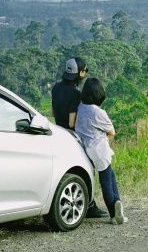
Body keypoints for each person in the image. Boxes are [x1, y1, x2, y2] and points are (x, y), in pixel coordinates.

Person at [52, 57, 108, 218]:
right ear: (80, 73)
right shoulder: (75, 94)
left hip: (59, 132)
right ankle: (89, 205)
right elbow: (71, 121)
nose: (85, 73)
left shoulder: (56, 88)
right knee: (87, 168)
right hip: (72, 136)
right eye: (85, 70)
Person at [75, 77, 127, 225]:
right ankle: (113, 212)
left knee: (110, 176)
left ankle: (117, 204)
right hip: (100, 150)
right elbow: (112, 132)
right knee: (106, 182)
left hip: (87, 150)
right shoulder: (99, 112)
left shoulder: (81, 107)